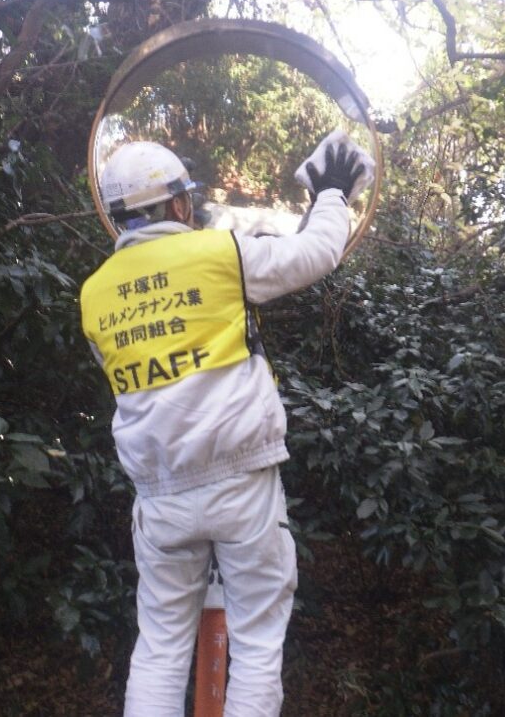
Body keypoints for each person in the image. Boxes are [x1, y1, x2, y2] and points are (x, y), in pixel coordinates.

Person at [79, 136, 368, 716]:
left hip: (159, 493)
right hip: (241, 480)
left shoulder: (95, 294)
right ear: (179, 204)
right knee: (257, 643)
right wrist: (333, 192)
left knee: (160, 648)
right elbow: (315, 252)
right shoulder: (220, 254)